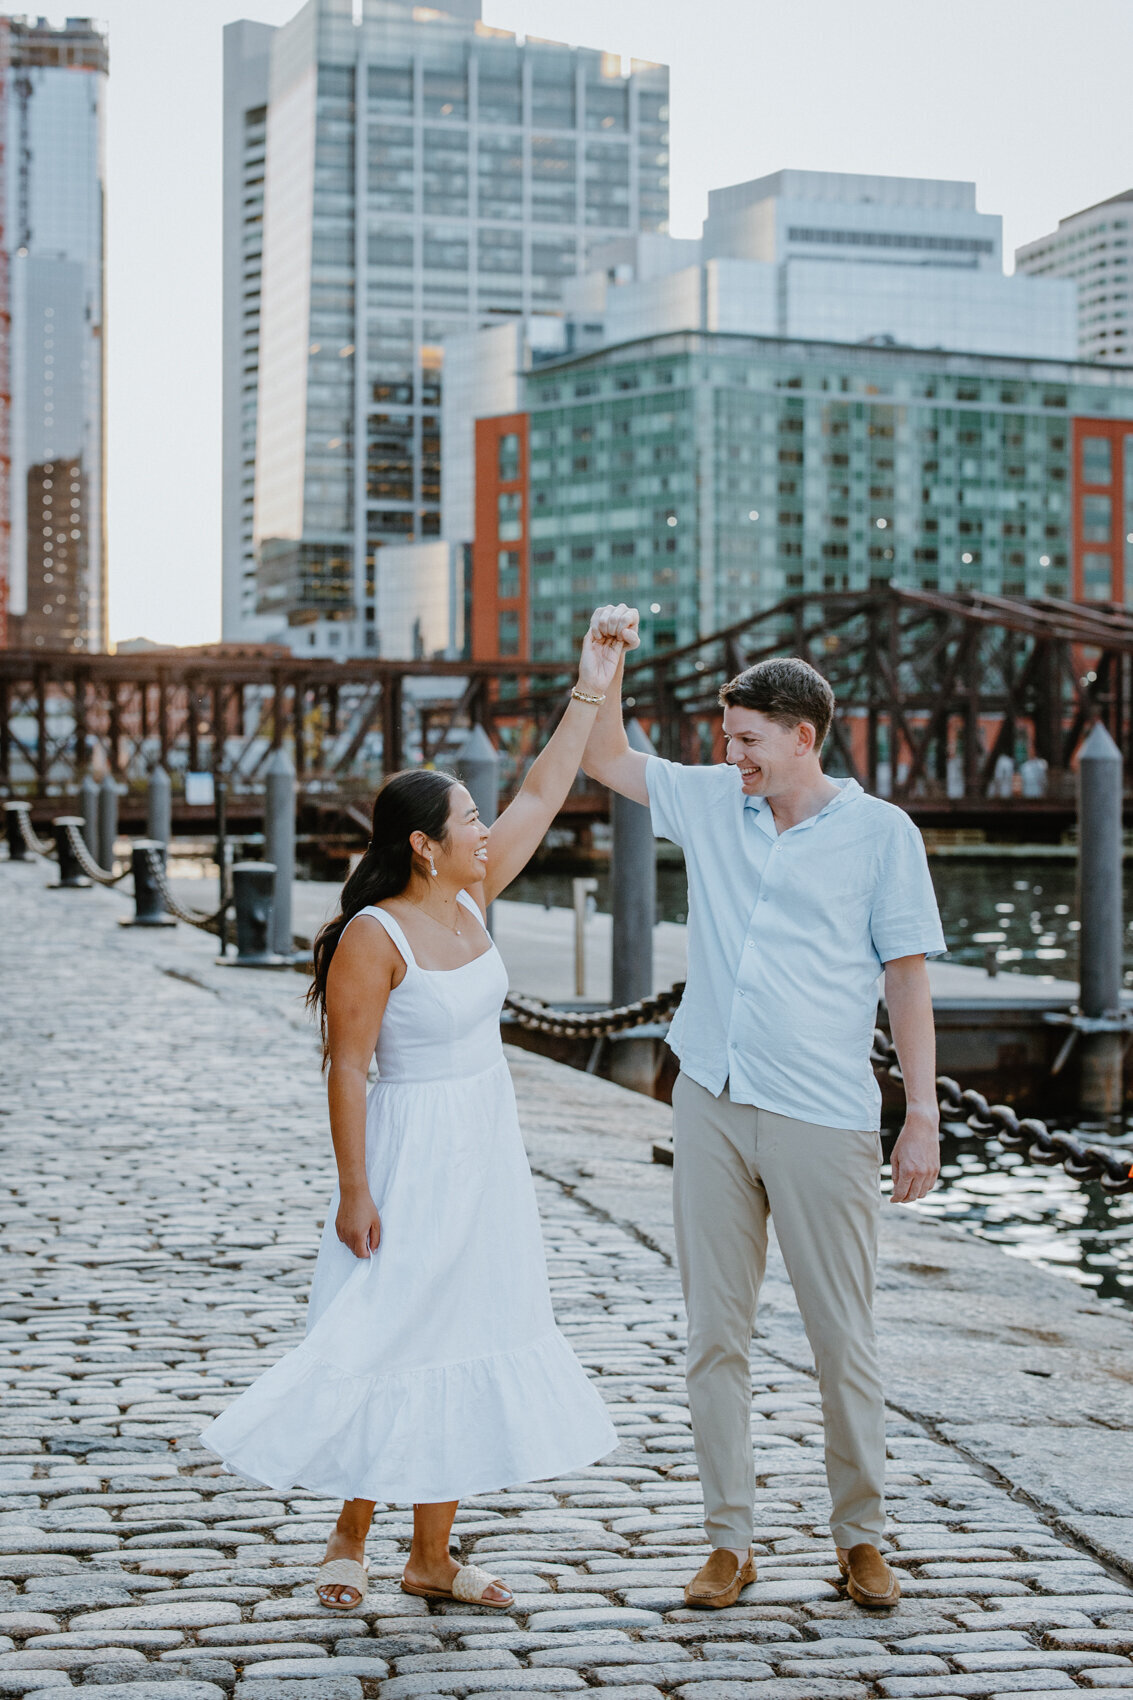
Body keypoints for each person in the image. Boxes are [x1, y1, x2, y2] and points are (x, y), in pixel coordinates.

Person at [199, 624, 635, 1612]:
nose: (487, 830)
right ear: (423, 843)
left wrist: (589, 688)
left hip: (485, 1153)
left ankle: (431, 1554)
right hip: (406, 1154)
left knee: (463, 1334)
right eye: (467, 821)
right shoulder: (374, 932)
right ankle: (350, 1529)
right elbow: (346, 1067)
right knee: (387, 1333)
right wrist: (355, 1189)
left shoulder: (472, 899)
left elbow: (541, 792)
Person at [581, 604, 946, 1613]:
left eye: (744, 738)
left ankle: (861, 1538)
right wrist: (602, 663)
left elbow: (906, 977)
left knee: (841, 1338)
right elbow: (605, 754)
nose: (726, 753)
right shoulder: (708, 800)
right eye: (721, 735)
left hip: (824, 1116)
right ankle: (726, 1541)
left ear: (800, 737)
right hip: (708, 1096)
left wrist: (917, 1113)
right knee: (713, 1334)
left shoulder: (879, 834)